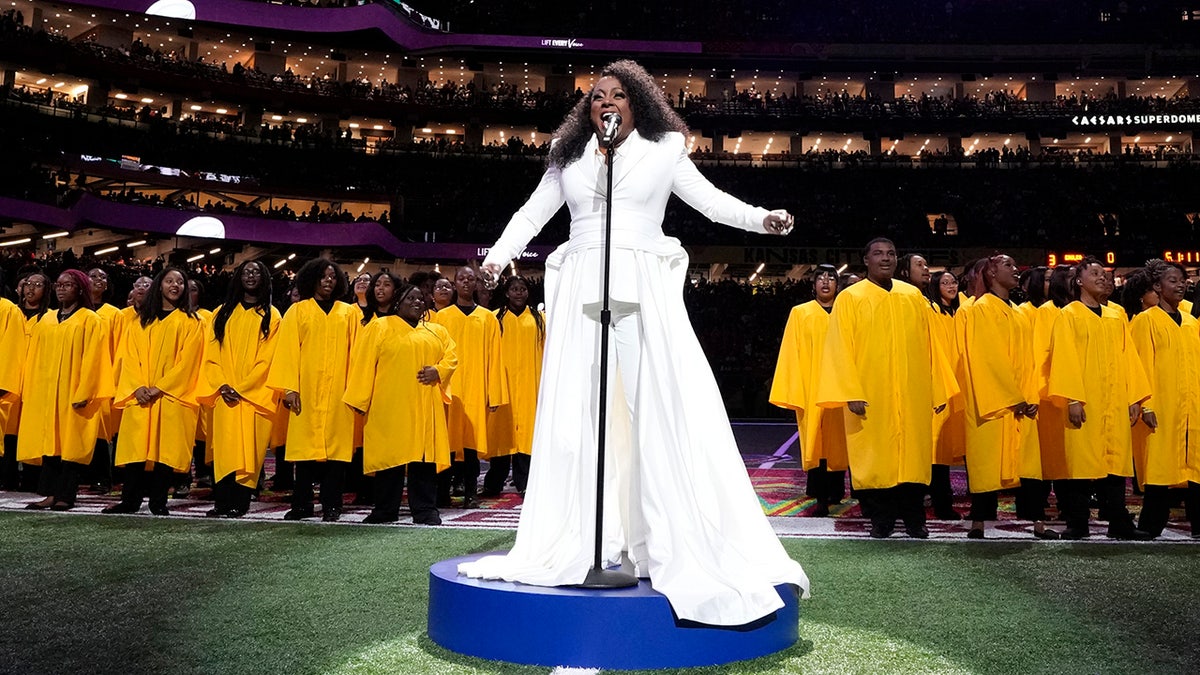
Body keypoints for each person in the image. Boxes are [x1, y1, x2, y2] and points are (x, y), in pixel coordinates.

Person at [459, 59, 807, 628]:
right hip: (581, 289)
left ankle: (658, 536)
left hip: (643, 285)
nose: (606, 102)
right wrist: (496, 258)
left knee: (655, 405)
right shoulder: (567, 157)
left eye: (617, 94)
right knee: (583, 411)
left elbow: (711, 201)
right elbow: (531, 215)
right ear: (587, 108)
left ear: (636, 102)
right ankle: (591, 538)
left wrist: (763, 218)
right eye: (596, 96)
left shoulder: (665, 148)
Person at [818, 238, 957, 539]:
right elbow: (839, 348)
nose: (885, 258)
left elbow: (932, 346)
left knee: (913, 458)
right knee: (875, 457)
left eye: (891, 254)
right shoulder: (851, 297)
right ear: (865, 260)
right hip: (871, 391)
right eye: (878, 254)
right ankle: (881, 519)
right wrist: (849, 390)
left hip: (912, 390)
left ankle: (914, 519)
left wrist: (937, 387)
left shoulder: (912, 296)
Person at [1046, 257, 1152, 540]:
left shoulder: (1115, 316)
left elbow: (1129, 358)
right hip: (1085, 399)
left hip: (1115, 399)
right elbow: (1064, 359)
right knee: (1082, 464)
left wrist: (1134, 398)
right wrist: (1072, 400)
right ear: (1079, 281)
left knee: (1116, 463)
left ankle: (1119, 522)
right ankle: (1078, 523)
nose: (1102, 278)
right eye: (1094, 273)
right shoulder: (1069, 315)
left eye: (1104, 274)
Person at [958, 255, 1055, 539]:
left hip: (1024, 402)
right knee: (987, 464)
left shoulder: (1018, 312)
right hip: (993, 403)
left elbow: (1030, 359)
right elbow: (986, 358)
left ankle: (1037, 522)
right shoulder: (981, 309)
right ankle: (979, 523)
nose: (1015, 271)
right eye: (1008, 266)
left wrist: (1030, 395)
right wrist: (1012, 396)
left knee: (1029, 468)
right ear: (990, 273)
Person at [345, 284, 457, 525]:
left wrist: (438, 371)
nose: (416, 302)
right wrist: (359, 399)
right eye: (410, 298)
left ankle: (425, 510)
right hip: (389, 403)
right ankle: (385, 510)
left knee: (423, 459)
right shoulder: (380, 326)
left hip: (424, 403)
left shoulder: (436, 331)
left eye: (420, 299)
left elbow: (452, 356)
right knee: (390, 458)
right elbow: (363, 362)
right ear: (398, 302)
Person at [104, 267, 205, 516]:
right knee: (136, 451)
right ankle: (130, 501)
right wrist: (137, 386)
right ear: (159, 285)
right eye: (169, 281)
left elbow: (188, 362)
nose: (175, 286)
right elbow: (127, 356)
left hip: (170, 396)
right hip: (140, 395)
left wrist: (159, 387)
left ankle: (159, 501)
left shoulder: (191, 323)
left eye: (180, 282)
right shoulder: (140, 321)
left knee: (165, 452)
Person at [268, 258, 360, 522]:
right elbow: (287, 351)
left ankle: (333, 505)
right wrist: (289, 388)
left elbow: (357, 354)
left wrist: (355, 390)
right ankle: (302, 505)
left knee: (337, 454)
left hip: (339, 391)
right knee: (303, 453)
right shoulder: (298, 311)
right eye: (323, 276)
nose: (328, 280)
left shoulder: (349, 312)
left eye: (333, 276)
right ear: (312, 279)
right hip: (305, 390)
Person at [17, 270, 113, 510]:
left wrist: (85, 391)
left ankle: (65, 495)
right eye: (58, 285)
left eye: (68, 285)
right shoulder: (46, 320)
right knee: (50, 443)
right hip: (47, 392)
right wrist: (32, 390)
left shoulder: (90, 319)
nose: (61, 289)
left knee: (70, 445)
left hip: (74, 393)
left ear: (80, 289)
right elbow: (34, 358)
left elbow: (95, 359)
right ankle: (49, 493)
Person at [199, 261, 281, 518]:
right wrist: (222, 384)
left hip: (253, 397)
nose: (251, 275)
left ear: (265, 279)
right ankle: (222, 501)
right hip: (224, 393)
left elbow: (268, 359)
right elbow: (211, 355)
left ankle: (240, 502)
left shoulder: (271, 315)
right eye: (246, 271)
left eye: (257, 271)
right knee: (223, 449)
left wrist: (243, 388)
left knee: (250, 450)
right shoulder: (221, 313)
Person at [1129, 259, 1200, 538]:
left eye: (1182, 280)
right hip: (1161, 403)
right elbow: (1140, 366)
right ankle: (1150, 524)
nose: (1180, 285)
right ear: (1157, 287)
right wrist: (1145, 404)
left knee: (1195, 464)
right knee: (1159, 466)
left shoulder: (1192, 323)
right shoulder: (1145, 321)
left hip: (1192, 405)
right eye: (1173, 280)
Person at [769, 264, 847, 516]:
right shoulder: (801, 313)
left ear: (838, 283)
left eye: (831, 278)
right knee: (817, 442)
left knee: (840, 442)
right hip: (813, 387)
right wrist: (794, 390)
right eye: (820, 278)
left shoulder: (846, 311)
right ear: (813, 284)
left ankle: (837, 490)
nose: (825, 282)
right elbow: (792, 352)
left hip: (842, 387)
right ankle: (820, 497)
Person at [429, 266, 507, 508]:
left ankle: (471, 493)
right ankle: (442, 493)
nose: (465, 282)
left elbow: (496, 357)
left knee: (471, 446)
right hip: (447, 388)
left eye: (470, 279)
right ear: (454, 284)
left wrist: (494, 393)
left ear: (476, 284)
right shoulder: (441, 318)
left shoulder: (487, 318)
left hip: (476, 387)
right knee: (446, 445)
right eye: (461, 279)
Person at [482, 275, 545, 497]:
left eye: (523, 289)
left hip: (530, 383)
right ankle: (493, 483)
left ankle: (525, 482)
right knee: (501, 437)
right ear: (507, 293)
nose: (519, 293)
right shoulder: (494, 318)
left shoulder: (540, 319)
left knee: (527, 438)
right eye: (514, 289)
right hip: (504, 382)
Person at [924, 269, 965, 521]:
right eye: (945, 282)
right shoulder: (931, 313)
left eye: (954, 281)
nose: (951, 286)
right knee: (936, 451)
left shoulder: (961, 313)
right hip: (939, 385)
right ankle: (941, 503)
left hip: (959, 387)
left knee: (950, 447)